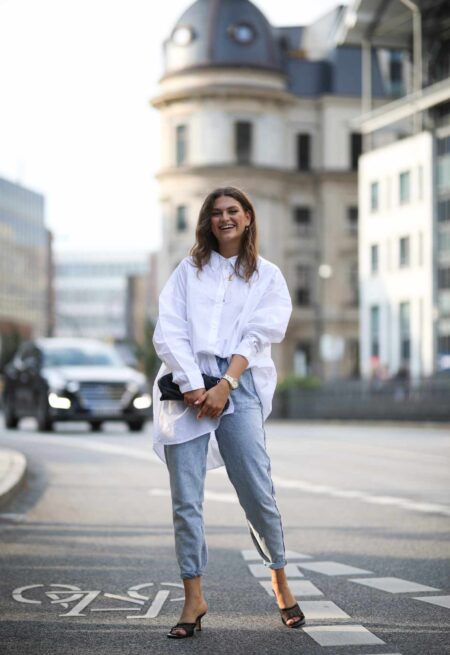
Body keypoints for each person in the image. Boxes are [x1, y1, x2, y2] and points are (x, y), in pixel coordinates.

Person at [152, 186, 305, 638]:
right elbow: (169, 329)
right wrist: (196, 386)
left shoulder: (267, 276)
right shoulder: (187, 271)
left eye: (232, 211)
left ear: (248, 217)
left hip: (241, 383)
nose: (224, 219)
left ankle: (279, 580)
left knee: (258, 492)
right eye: (216, 212)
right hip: (187, 387)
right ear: (207, 221)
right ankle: (193, 599)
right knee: (186, 500)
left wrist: (226, 384)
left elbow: (262, 332)